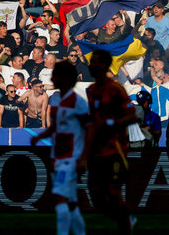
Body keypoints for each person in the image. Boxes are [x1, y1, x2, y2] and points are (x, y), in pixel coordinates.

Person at [31, 59, 89, 235]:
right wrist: (40, 137)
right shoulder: (60, 100)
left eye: (56, 74)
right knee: (70, 201)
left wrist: (83, 158)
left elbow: (90, 129)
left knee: (60, 199)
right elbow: (57, 127)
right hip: (60, 157)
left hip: (69, 158)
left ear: (64, 78)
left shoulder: (77, 102)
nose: (53, 77)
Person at [86, 50, 138, 235]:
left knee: (113, 193)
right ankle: (125, 217)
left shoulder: (116, 89)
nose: (91, 65)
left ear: (105, 65)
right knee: (96, 196)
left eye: (95, 62)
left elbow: (133, 115)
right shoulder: (91, 90)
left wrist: (110, 124)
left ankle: (125, 223)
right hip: (96, 150)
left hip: (114, 149)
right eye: (91, 62)